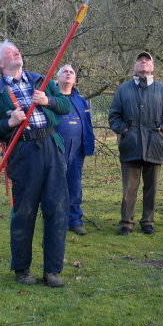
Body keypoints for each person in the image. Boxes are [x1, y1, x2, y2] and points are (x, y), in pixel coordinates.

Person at [0, 40, 71, 288]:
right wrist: (8, 124)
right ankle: (22, 269)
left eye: (16, 49)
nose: (15, 51)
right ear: (0, 63)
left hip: (51, 147)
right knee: (24, 213)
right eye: (9, 52)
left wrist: (47, 101)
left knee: (57, 210)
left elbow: (65, 105)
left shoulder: (43, 81)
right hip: (23, 153)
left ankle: (52, 271)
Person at [108, 51, 163, 235]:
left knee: (151, 189)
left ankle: (148, 222)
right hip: (130, 145)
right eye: (140, 60)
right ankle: (126, 223)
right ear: (135, 66)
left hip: (155, 146)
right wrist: (124, 130)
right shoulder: (123, 89)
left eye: (147, 60)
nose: (143, 62)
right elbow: (113, 116)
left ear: (153, 67)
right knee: (129, 188)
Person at [55, 64, 95, 235]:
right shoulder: (50, 97)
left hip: (77, 150)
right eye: (65, 71)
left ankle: (75, 221)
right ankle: (56, 221)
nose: (69, 73)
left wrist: (88, 145)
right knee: (55, 186)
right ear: (57, 78)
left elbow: (87, 124)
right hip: (55, 148)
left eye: (72, 72)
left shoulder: (81, 100)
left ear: (75, 79)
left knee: (75, 185)